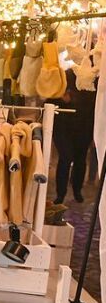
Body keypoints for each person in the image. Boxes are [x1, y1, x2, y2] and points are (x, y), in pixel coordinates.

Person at [49, 68, 96, 203]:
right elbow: (51, 97)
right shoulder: (67, 74)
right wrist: (62, 96)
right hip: (64, 125)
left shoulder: (93, 76)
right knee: (66, 157)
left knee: (80, 160)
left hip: (84, 126)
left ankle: (77, 190)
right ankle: (61, 193)